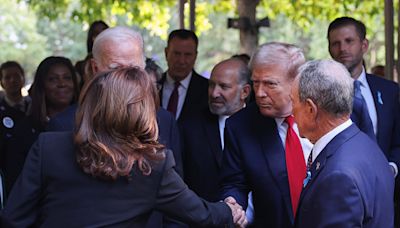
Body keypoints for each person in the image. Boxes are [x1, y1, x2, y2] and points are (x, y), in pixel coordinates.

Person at [0, 67, 247, 227]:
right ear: (142, 109)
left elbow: (13, 218)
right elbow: (200, 214)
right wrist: (230, 211)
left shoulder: (48, 147)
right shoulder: (153, 163)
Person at [219, 42, 313, 227]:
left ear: (297, 82)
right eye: (255, 83)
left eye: (270, 84)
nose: (260, 93)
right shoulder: (240, 126)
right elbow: (234, 183)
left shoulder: (321, 114)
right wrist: (232, 203)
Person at [292, 59, 394, 227]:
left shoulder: (339, 177)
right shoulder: (365, 143)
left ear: (311, 109)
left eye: (293, 102)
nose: (291, 111)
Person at [327, 17, 400, 225]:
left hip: (388, 194)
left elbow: (397, 140)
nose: (342, 48)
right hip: (340, 195)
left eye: (349, 41)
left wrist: (391, 168)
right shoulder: (321, 93)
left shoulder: (389, 90)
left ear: (364, 45)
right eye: (335, 43)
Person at [2, 56, 79, 195]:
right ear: (42, 85)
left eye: (67, 78)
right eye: (53, 79)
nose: (62, 83)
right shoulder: (24, 130)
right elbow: (16, 181)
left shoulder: (90, 124)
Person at [180, 58, 251, 203]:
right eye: (211, 85)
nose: (214, 93)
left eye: (224, 87)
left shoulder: (260, 126)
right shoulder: (189, 126)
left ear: (244, 91)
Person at [159, 29, 209, 123]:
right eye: (176, 54)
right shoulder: (151, 87)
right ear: (166, 53)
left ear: (195, 56)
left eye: (188, 55)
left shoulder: (208, 90)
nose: (182, 61)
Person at [0, 61, 31, 171]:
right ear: (2, 82)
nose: (13, 80)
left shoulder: (33, 107)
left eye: (17, 76)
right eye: (7, 77)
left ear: (23, 79)